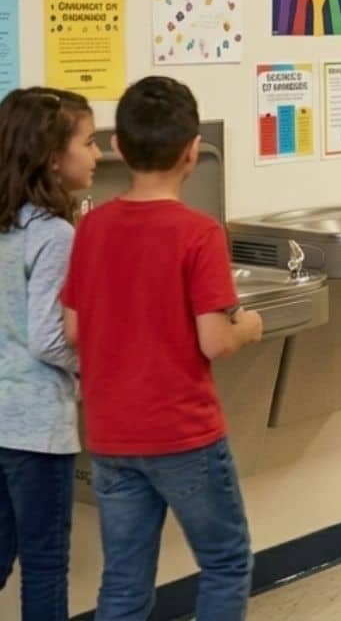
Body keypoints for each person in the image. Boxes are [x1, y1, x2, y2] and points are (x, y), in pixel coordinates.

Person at [62, 77, 265, 618]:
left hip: (111, 435)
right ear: (193, 150)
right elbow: (215, 340)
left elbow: (73, 329)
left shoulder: (91, 228)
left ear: (118, 146)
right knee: (226, 562)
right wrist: (249, 326)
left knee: (124, 585)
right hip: (183, 435)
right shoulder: (199, 233)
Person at [0, 88, 99, 620]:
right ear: (53, 157)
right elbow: (49, 339)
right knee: (45, 564)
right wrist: (95, 368)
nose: (97, 153)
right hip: (31, 429)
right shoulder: (54, 234)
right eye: (88, 142)